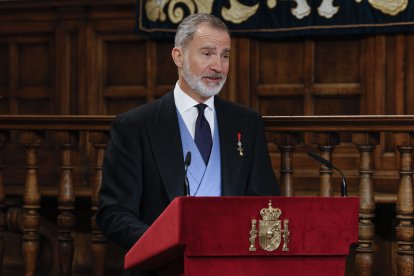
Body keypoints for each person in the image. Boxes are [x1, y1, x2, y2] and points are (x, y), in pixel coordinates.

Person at [96, 13, 279, 275]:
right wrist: (162, 246)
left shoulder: (246, 123)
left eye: (225, 55)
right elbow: (112, 213)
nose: (219, 66)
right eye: (207, 54)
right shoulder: (135, 126)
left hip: (232, 266)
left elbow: (266, 202)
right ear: (178, 57)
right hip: (161, 267)